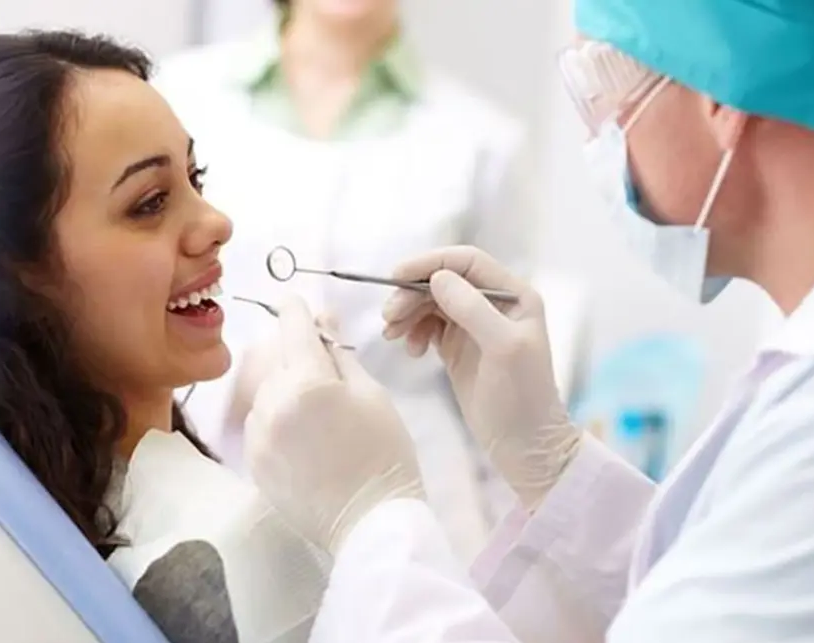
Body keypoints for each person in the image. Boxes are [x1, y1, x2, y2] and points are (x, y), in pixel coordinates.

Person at [242, 0, 814, 643]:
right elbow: (709, 629)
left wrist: (369, 518)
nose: (600, 132)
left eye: (600, 81)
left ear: (721, 93)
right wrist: (554, 463)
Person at [0, 30, 326, 643]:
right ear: (18, 272)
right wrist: (384, 514)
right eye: (149, 202)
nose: (216, 223)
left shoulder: (42, 526)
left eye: (197, 179)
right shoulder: (233, 545)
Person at [153, 0, 534, 561]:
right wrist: (233, 383)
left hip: (420, 497)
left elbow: (498, 372)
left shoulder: (482, 141)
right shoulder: (179, 96)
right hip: (218, 466)